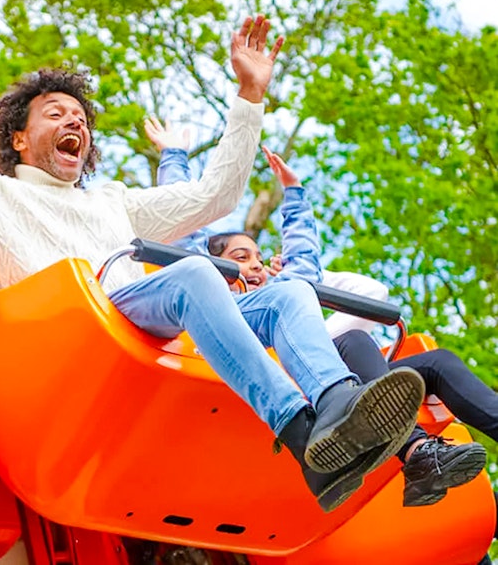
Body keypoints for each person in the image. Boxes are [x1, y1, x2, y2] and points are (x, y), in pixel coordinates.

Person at [0, 0, 424, 513]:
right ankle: (297, 427)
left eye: (80, 118)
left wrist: (249, 96)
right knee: (193, 273)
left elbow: (215, 197)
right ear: (19, 138)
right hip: (58, 340)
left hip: (131, 328)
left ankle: (335, 405)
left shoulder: (112, 203)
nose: (74, 122)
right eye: (55, 114)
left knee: (288, 293)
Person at [149, 125, 488, 508]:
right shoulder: (214, 305)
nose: (256, 265)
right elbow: (185, 227)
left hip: (325, 374)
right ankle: (416, 452)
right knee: (355, 340)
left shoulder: (285, 295)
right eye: (240, 258)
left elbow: (304, 263)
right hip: (269, 374)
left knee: (436, 363)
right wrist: (174, 156)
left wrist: (294, 193)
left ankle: (419, 453)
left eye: (259, 257)